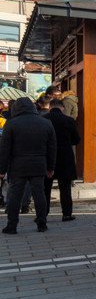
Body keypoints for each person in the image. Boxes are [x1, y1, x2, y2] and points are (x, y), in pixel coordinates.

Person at [0, 98, 56, 233]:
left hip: (18, 165)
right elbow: (52, 147)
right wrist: (51, 167)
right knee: (39, 194)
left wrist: (1, 169)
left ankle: (12, 226)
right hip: (39, 164)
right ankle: (42, 223)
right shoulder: (46, 123)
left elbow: (4, 149)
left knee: (15, 196)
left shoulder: (11, 124)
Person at [43, 99, 80, 222]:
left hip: (47, 157)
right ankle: (67, 214)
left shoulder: (43, 119)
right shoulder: (68, 120)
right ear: (62, 109)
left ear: (50, 108)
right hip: (65, 157)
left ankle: (43, 213)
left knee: (45, 188)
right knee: (65, 188)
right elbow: (76, 139)